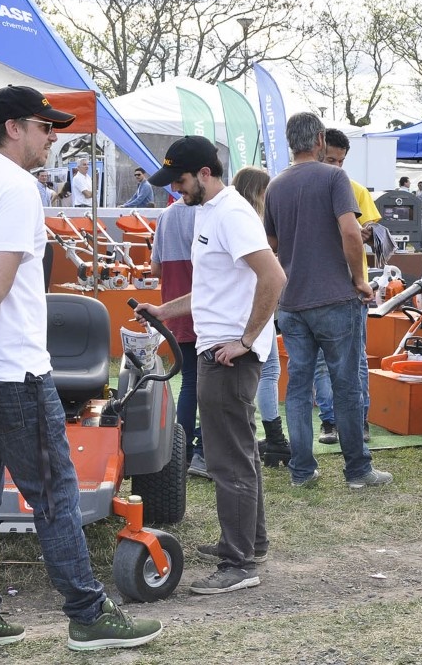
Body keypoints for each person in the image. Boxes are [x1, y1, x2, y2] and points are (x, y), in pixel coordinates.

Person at [0, 85, 161, 654]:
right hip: (10, 370)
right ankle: (88, 615)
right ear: (16, 127)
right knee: (53, 493)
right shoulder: (17, 188)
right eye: (47, 128)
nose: (54, 138)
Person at [138, 135, 286, 594]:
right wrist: (166, 312)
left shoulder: (232, 213)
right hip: (218, 347)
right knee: (238, 453)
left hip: (228, 353)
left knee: (228, 460)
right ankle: (248, 543)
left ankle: (238, 563)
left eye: (180, 180)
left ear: (205, 173)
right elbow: (213, 287)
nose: (176, 190)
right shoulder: (207, 212)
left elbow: (274, 276)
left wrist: (246, 339)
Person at [263, 112, 391, 490]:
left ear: (291, 142)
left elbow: (270, 247)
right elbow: (352, 233)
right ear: (320, 139)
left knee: (299, 388)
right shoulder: (335, 178)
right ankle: (357, 471)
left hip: (292, 301)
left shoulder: (275, 186)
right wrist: (358, 280)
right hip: (335, 297)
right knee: (346, 384)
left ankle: (302, 471)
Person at [317, 128, 379, 445]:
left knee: (355, 359)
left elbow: (370, 229)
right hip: (320, 286)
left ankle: (358, 422)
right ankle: (329, 422)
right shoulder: (307, 186)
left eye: (340, 161)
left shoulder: (355, 190)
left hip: (353, 288)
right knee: (323, 362)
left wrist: (367, 233)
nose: (335, 167)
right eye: (330, 159)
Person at [232, 166, 289, 463]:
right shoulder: (251, 222)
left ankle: (268, 437)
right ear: (259, 192)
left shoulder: (232, 217)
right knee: (267, 372)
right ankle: (275, 437)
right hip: (256, 305)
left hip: (242, 306)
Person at [151, 197, 204, 477]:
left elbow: (155, 268)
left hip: (174, 307)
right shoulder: (207, 212)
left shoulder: (166, 216)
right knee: (205, 382)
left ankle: (180, 451)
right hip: (202, 307)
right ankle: (198, 451)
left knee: (189, 381)